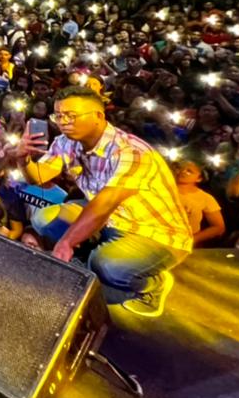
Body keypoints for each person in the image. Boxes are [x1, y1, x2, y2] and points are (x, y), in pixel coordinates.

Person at [18, 86, 192, 317]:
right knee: (44, 218)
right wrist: (22, 159)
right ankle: (92, 252)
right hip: (110, 220)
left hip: (154, 232)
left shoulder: (131, 151)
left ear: (99, 116)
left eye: (71, 115)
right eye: (58, 116)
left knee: (106, 266)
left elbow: (107, 201)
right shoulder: (65, 142)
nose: (63, 122)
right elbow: (40, 177)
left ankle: (153, 284)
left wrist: (67, 243)